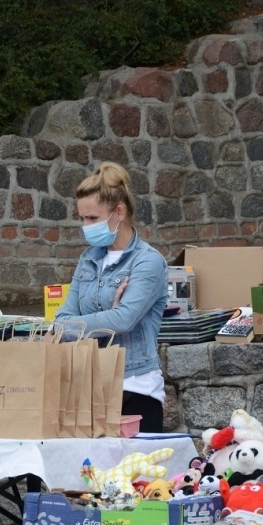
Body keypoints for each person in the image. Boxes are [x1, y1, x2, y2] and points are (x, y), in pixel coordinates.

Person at [54, 162, 168, 433]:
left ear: (119, 212)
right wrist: (109, 318)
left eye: (92, 218)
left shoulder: (147, 261)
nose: (85, 226)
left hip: (135, 388)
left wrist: (87, 324)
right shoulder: (89, 259)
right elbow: (60, 321)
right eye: (82, 218)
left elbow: (125, 319)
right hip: (91, 388)